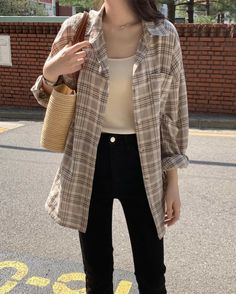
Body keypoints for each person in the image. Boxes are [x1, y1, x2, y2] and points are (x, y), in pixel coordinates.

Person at [31, 0, 190, 293]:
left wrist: (173, 181)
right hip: (89, 157)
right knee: (97, 271)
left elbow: (172, 112)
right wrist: (51, 70)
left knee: (152, 271)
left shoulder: (163, 35)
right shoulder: (76, 29)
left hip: (143, 160)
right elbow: (47, 96)